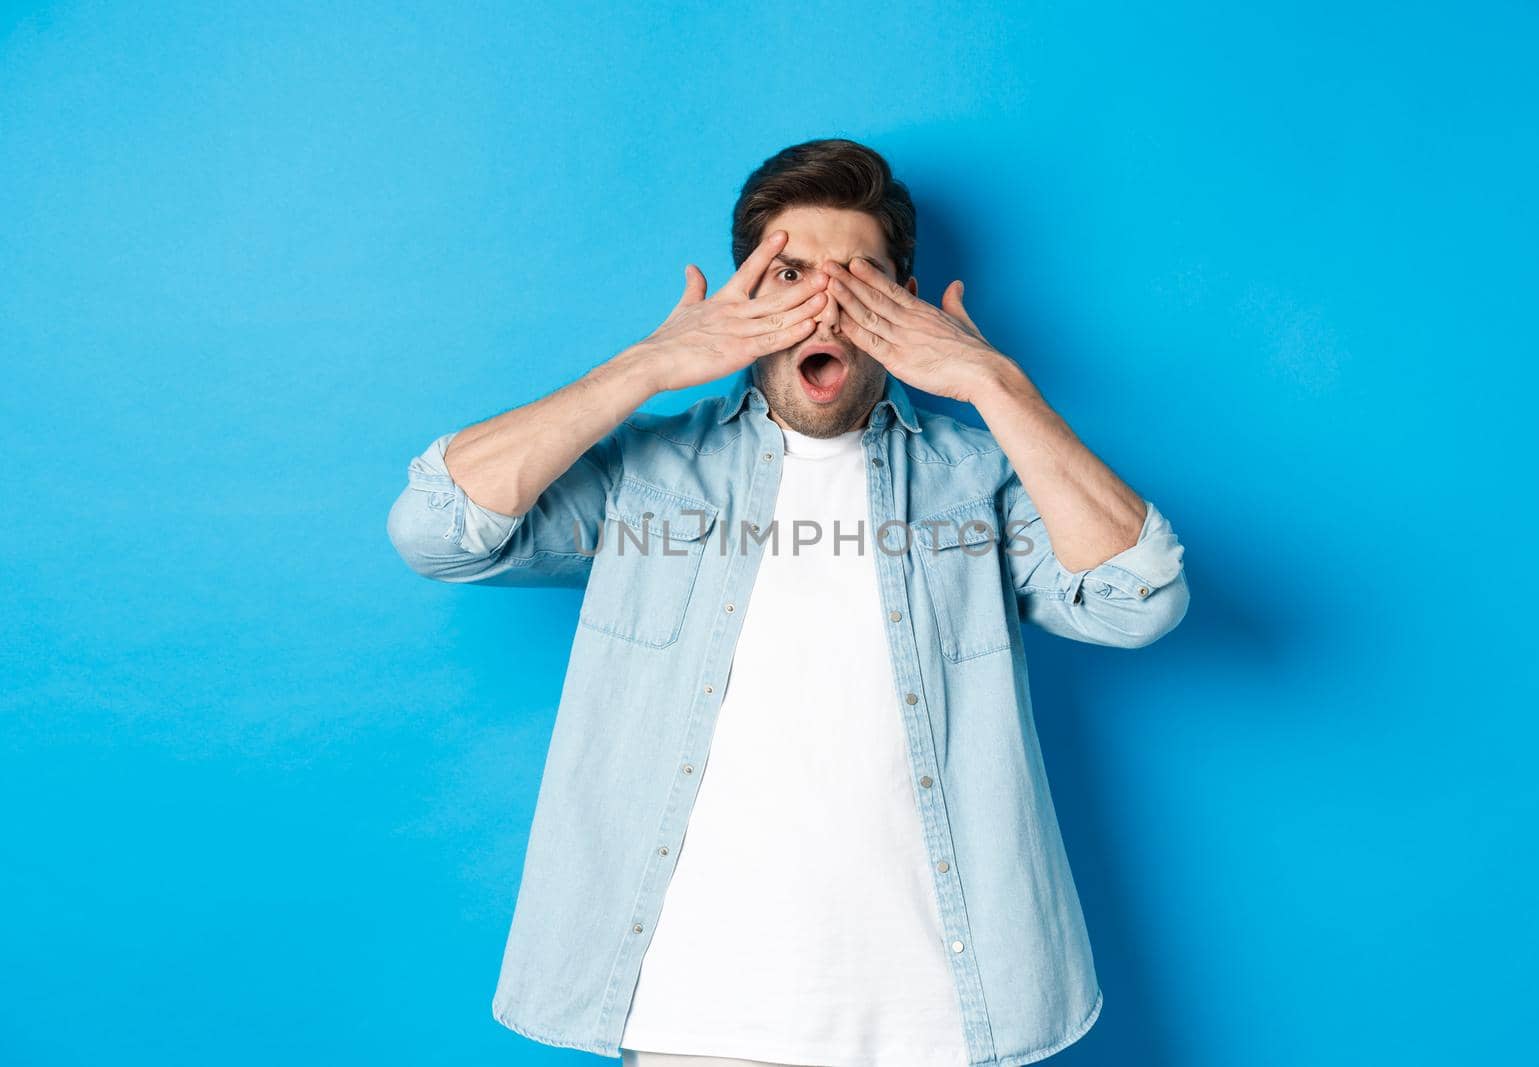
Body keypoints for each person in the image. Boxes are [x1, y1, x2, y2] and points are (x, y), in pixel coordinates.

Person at [386, 138, 1190, 1067]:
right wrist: (646, 366)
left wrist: (992, 383)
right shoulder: (643, 477)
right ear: (744, 296)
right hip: (691, 1012)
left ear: (907, 301)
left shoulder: (977, 481)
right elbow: (434, 529)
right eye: (792, 273)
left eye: (860, 277)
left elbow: (1138, 600)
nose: (824, 302)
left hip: (938, 1015)